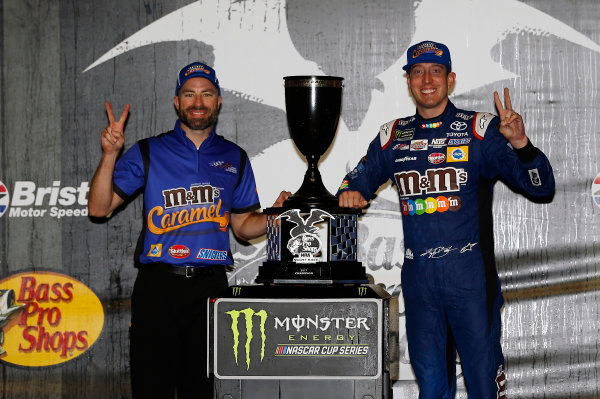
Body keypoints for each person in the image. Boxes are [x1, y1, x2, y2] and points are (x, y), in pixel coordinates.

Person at [337, 41, 555, 398]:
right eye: (417, 71)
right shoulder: (393, 136)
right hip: (421, 281)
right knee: (433, 387)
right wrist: (350, 193)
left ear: (450, 79)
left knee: (484, 384)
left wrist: (521, 143)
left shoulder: (480, 130)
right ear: (408, 81)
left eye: (435, 71)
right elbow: (352, 186)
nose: (427, 79)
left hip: (470, 277)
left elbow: (542, 187)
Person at [88, 62, 290, 398]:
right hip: (158, 288)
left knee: (203, 389)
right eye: (189, 94)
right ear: (176, 102)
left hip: (209, 290)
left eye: (206, 94)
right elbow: (98, 208)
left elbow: (242, 227)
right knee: (153, 388)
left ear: (219, 101)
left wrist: (275, 216)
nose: (198, 102)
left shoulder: (233, 157)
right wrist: (110, 155)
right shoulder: (148, 151)